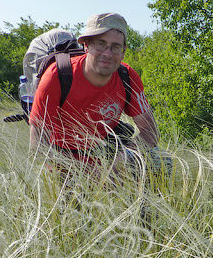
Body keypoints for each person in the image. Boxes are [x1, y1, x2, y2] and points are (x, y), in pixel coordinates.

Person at [29, 12, 164, 181]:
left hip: (105, 153)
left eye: (115, 47)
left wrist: (122, 160)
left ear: (123, 51)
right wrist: (86, 173)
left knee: (161, 161)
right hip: (61, 158)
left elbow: (150, 131)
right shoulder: (57, 76)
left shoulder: (127, 77)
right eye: (101, 44)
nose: (108, 53)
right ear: (86, 46)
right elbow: (38, 145)